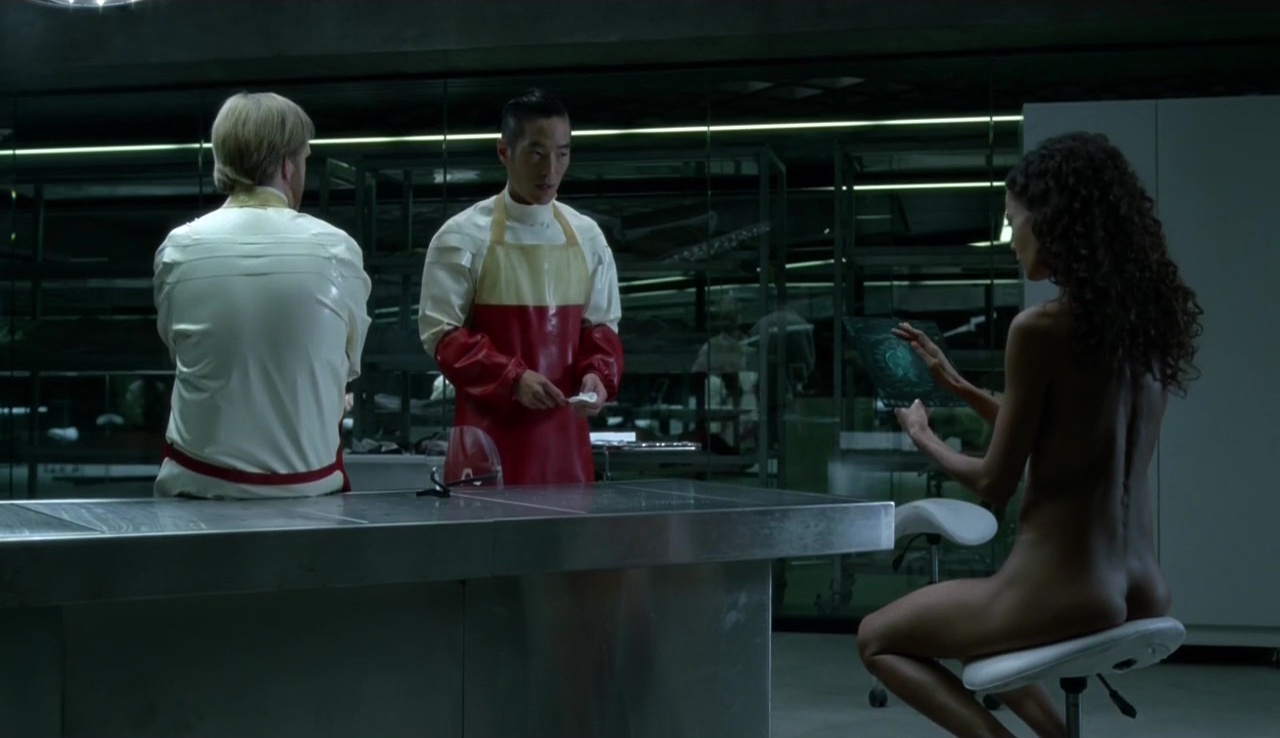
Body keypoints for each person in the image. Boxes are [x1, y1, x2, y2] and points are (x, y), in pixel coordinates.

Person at [856, 131, 1204, 738]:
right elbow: (1067, 434)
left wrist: (923, 436)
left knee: (877, 636)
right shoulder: (1145, 334)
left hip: (1061, 590)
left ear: (1052, 222)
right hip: (1143, 585)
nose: (1011, 237)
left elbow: (994, 482)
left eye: (1013, 221)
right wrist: (957, 384)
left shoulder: (1038, 329)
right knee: (968, 632)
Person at [152, 92, 371, 499]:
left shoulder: (177, 250)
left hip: (196, 491)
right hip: (309, 494)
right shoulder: (338, 250)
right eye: (304, 158)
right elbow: (344, 365)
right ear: (287, 165)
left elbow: (181, 349)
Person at [417, 88, 623, 486]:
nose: (550, 170)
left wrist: (598, 375)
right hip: (486, 449)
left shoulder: (589, 238)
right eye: (536, 153)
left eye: (562, 154)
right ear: (504, 152)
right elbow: (441, 335)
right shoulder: (461, 237)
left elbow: (601, 328)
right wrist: (512, 379)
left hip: (566, 451)